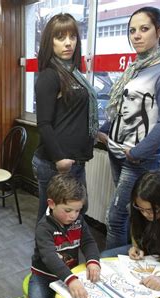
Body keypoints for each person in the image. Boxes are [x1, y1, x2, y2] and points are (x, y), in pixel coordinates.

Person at [98, 6, 160, 250]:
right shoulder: (136, 67)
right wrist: (103, 130)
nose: (136, 35)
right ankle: (127, 261)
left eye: (144, 29)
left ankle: (110, 267)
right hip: (118, 152)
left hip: (139, 159)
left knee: (115, 217)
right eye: (132, 30)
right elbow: (122, 109)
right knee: (126, 212)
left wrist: (136, 153)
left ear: (159, 31)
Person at [31, 13, 99, 223]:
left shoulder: (74, 72)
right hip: (56, 163)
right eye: (60, 37)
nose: (68, 43)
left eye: (73, 37)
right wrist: (60, 159)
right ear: (49, 42)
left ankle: (64, 257)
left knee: (76, 216)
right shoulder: (50, 75)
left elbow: (73, 114)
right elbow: (43, 123)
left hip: (75, 161)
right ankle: (41, 257)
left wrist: (98, 133)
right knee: (51, 222)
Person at [28, 174, 101, 298]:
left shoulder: (78, 221)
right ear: (51, 204)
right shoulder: (43, 227)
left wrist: (93, 261)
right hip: (43, 276)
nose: (73, 215)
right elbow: (49, 257)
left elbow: (88, 242)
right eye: (68, 210)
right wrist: (71, 280)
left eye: (77, 210)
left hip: (70, 274)